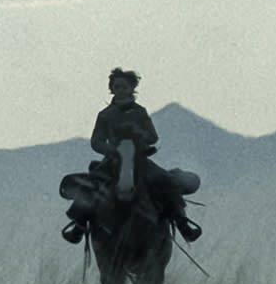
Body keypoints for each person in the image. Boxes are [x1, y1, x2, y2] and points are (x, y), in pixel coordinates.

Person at [62, 67, 199, 243]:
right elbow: (96, 141)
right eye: (117, 86)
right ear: (111, 89)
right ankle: (79, 227)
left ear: (131, 88)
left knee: (166, 181)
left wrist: (140, 136)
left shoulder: (140, 112)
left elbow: (153, 136)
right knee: (92, 186)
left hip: (140, 160)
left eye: (124, 87)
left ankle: (182, 223)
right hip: (112, 161)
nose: (120, 90)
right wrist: (111, 150)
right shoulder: (105, 115)